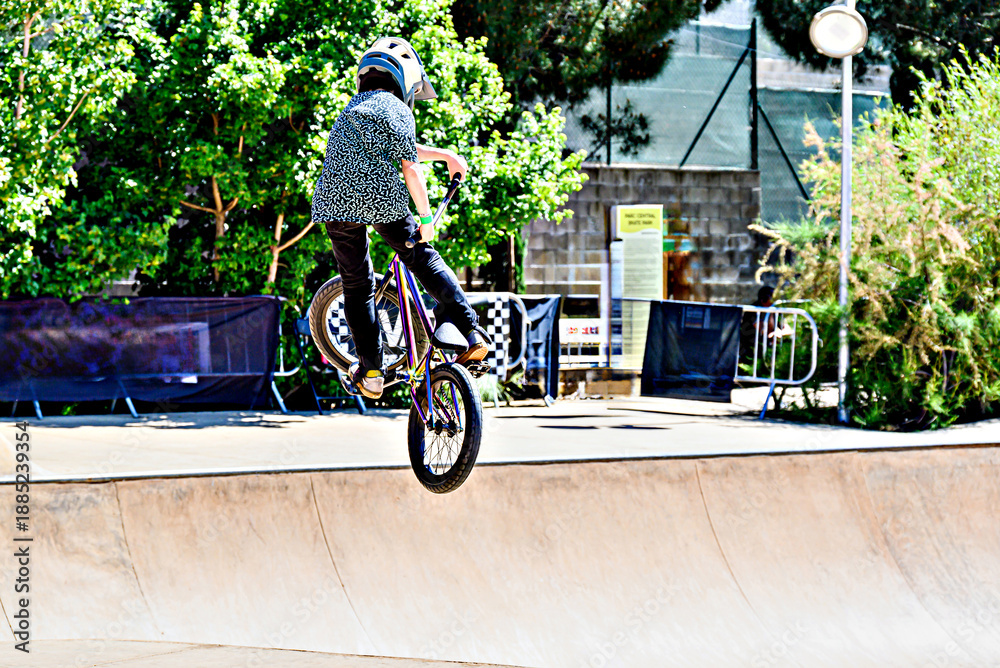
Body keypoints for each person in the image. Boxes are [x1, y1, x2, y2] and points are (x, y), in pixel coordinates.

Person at [311, 36, 488, 399]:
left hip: (335, 200)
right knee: (422, 256)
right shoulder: (398, 108)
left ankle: (372, 372)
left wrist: (445, 155)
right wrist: (426, 219)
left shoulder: (351, 109)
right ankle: (469, 331)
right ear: (406, 82)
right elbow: (410, 167)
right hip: (381, 198)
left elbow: (401, 147)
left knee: (357, 286)